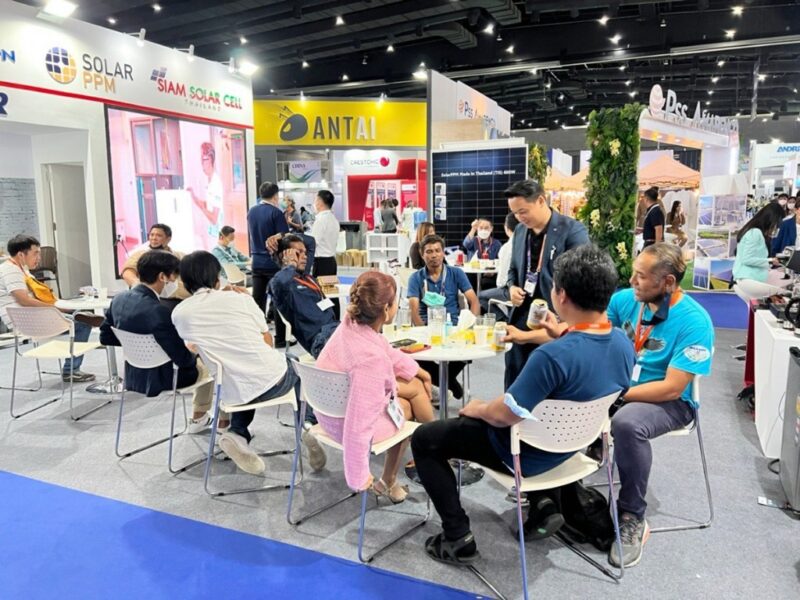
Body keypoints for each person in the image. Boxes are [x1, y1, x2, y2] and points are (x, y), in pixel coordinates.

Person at [411, 244, 635, 565]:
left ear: (561, 295)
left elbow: (504, 414)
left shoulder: (551, 357)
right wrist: (561, 334)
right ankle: (545, 504)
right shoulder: (623, 344)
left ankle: (457, 536)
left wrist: (478, 408)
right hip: (573, 448)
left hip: (522, 454)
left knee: (425, 439)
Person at [606, 243, 714, 568]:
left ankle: (632, 516)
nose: (632, 281)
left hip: (671, 402)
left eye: (641, 276)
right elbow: (596, 337)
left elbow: (672, 387)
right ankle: (555, 491)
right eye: (634, 273)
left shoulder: (695, 322)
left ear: (667, 282)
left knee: (627, 423)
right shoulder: (625, 301)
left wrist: (618, 395)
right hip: (621, 390)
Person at [171, 251, 326, 474]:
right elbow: (267, 340)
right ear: (217, 277)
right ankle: (308, 425)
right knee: (294, 364)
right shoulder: (241, 299)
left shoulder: (180, 313)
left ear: (184, 282)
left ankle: (237, 433)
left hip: (230, 391)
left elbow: (192, 346)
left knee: (244, 380)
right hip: (273, 380)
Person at [316, 271, 434, 503]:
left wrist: (419, 371)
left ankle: (433, 445)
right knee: (406, 409)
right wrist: (358, 475)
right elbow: (359, 422)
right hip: (343, 424)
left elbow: (385, 349)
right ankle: (393, 477)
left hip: (327, 412)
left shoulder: (349, 325)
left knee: (416, 386)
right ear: (386, 309)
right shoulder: (370, 360)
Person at [99, 251, 221, 432]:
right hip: (164, 378)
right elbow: (184, 361)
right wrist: (193, 351)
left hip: (134, 374)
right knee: (215, 362)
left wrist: (138, 345)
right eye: (174, 277)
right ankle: (205, 419)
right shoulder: (158, 311)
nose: (175, 282)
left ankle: (201, 419)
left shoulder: (119, 299)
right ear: (162, 277)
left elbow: (105, 337)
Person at [502, 179, 590, 390]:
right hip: (523, 314)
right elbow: (513, 269)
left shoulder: (572, 231)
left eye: (523, 211)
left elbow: (580, 279)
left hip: (555, 317)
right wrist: (512, 287)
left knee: (546, 384)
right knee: (515, 382)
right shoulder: (520, 231)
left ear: (541, 201)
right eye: (515, 213)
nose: (519, 218)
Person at [0, 235, 97, 383]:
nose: (39, 258)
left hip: (32, 317)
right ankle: (71, 370)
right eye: (35, 253)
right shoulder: (11, 271)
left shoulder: (20, 268)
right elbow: (24, 300)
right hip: (26, 322)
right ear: (21, 255)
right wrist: (55, 309)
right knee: (84, 322)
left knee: (83, 315)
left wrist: (60, 307)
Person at [407, 234, 478, 399]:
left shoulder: (456, 273)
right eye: (429, 251)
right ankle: (450, 383)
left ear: (443, 252)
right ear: (422, 254)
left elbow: (473, 301)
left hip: (453, 327)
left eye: (437, 250)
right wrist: (423, 331)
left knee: (468, 352)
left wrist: (470, 327)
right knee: (413, 356)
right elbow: (414, 309)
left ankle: (445, 382)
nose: (434, 255)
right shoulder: (416, 278)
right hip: (427, 328)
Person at [269, 234, 339, 359]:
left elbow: (311, 241)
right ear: (285, 256)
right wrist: (290, 265)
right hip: (321, 338)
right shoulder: (282, 283)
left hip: (336, 329)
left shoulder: (308, 278)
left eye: (305, 252)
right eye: (298, 253)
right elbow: (280, 281)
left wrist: (283, 235)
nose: (305, 256)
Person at [248, 182, 290, 345]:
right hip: (274, 263)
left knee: (258, 301)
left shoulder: (251, 211)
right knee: (278, 300)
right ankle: (280, 338)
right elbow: (285, 236)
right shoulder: (276, 213)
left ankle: (258, 337)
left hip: (256, 262)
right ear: (275, 196)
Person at [733, 202, 785, 283]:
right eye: (777, 224)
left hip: (751, 277)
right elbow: (747, 259)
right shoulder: (755, 233)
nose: (776, 227)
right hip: (748, 278)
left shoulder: (757, 232)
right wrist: (770, 260)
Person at [121, 224, 183, 289]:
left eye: (159, 235)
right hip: (151, 294)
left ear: (168, 239)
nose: (154, 238)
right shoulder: (140, 254)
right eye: (152, 235)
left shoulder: (179, 255)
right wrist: (141, 288)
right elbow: (127, 273)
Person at [478, 213, 518, 314]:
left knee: (479, 296)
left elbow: (501, 282)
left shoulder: (505, 247)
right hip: (524, 289)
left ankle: (502, 319)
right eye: (481, 227)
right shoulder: (525, 244)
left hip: (509, 290)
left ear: (506, 227)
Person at [188, 142, 224, 240]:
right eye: (201, 159)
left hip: (216, 237)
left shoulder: (216, 184)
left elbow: (214, 219)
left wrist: (202, 208)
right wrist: (193, 196)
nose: (202, 163)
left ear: (211, 160)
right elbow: (208, 205)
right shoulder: (210, 181)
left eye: (204, 159)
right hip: (210, 235)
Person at [310, 190, 340, 277]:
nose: (314, 203)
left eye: (315, 199)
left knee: (320, 286)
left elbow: (313, 242)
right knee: (330, 285)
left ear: (320, 202)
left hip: (321, 263)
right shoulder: (334, 219)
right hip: (331, 261)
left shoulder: (320, 220)